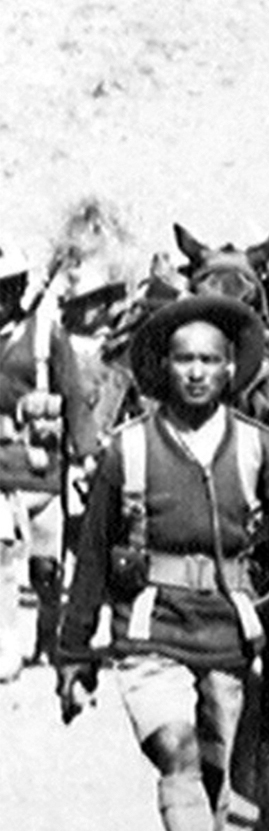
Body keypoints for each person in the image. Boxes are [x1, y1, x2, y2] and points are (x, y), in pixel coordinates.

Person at [56, 294, 269, 831]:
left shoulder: (257, 446)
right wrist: (73, 653)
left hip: (226, 633)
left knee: (215, 774)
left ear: (229, 368)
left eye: (209, 360)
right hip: (149, 631)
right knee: (178, 749)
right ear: (164, 367)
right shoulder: (129, 449)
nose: (196, 372)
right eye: (184, 359)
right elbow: (92, 554)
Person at [0, 255, 98, 680]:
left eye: (5, 289)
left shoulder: (45, 336)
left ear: (18, 289)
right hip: (1, 471)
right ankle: (6, 645)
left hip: (43, 471)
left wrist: (86, 453)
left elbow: (74, 395)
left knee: (45, 571)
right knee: (2, 558)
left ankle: (47, 636)